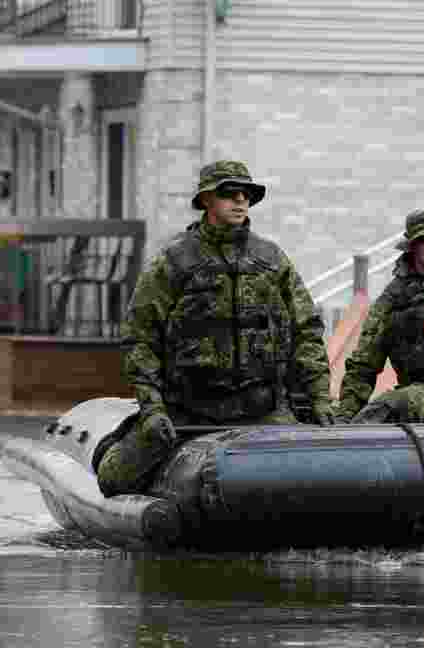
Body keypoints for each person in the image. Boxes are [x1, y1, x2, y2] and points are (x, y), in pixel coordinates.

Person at [97, 160, 334, 497]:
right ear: (206, 199)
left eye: (246, 195)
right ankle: (115, 445)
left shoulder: (271, 259)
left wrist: (319, 399)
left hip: (260, 409)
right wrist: (152, 408)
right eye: (229, 194)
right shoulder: (175, 260)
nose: (240, 201)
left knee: (316, 477)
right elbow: (140, 336)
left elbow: (307, 331)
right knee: (114, 481)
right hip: (189, 410)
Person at [335, 209, 424, 424]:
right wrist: (344, 420)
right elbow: (363, 365)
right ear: (412, 246)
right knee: (387, 407)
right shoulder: (394, 299)